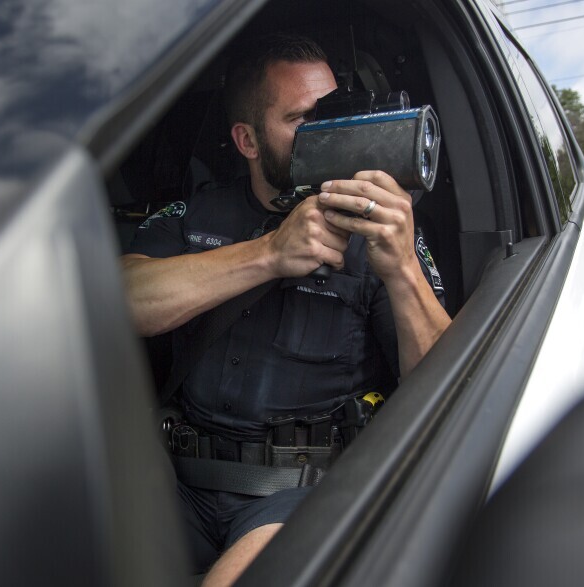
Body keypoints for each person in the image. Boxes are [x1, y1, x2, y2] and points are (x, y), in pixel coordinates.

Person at [120, 33, 450, 586]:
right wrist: (268, 254)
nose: (326, 133)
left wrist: (403, 271)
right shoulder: (195, 212)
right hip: (172, 479)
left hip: (300, 494)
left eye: (332, 113)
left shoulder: (382, 230)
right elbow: (121, 301)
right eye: (301, 119)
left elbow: (447, 385)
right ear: (247, 140)